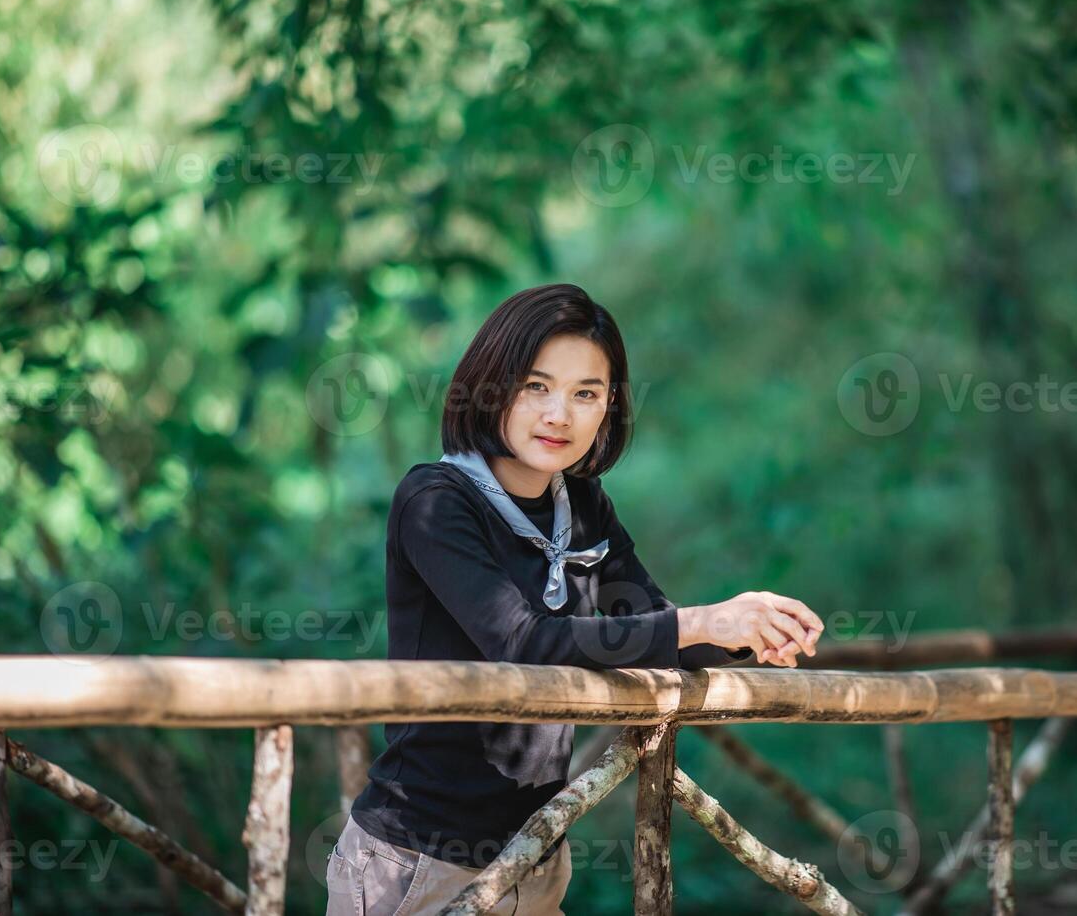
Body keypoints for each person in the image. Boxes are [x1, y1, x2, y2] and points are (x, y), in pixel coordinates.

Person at [326, 283, 824, 916]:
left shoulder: (582, 505)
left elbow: (653, 626)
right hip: (419, 861)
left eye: (586, 393)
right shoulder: (435, 500)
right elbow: (522, 642)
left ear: (609, 407)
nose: (559, 414)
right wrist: (703, 620)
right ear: (489, 386)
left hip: (536, 857)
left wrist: (749, 629)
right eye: (536, 386)